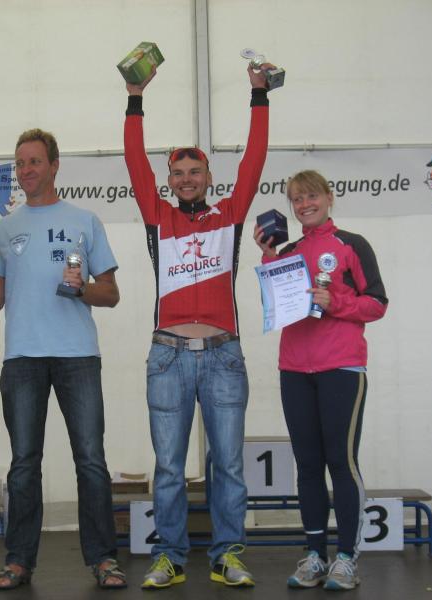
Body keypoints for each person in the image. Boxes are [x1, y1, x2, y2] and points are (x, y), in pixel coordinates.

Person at [123, 63, 272, 588]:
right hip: (167, 356)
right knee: (169, 467)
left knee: (228, 464)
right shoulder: (157, 217)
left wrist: (259, 96)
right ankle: (169, 556)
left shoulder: (228, 215)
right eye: (178, 173)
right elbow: (134, 162)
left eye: (195, 171)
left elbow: (254, 160)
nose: (186, 179)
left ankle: (228, 554)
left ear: (209, 177)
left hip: (223, 355)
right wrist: (135, 98)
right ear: (169, 181)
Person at [0, 128, 125, 590]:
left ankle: (103, 559)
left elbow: (111, 293)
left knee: (91, 460)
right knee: (23, 464)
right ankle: (18, 561)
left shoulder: (85, 220)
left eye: (34, 161)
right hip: (22, 358)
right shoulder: (4, 228)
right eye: (20, 163)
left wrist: (82, 289)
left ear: (54, 165)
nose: (26, 170)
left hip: (78, 356)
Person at [253, 170, 388, 591]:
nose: (304, 204)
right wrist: (269, 258)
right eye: (297, 199)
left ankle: (346, 558)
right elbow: (280, 304)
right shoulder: (289, 251)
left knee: (341, 463)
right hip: (294, 369)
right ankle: (315, 555)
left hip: (341, 368)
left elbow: (377, 303)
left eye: (311, 196)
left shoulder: (352, 245)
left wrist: (336, 302)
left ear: (329, 197)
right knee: (308, 465)